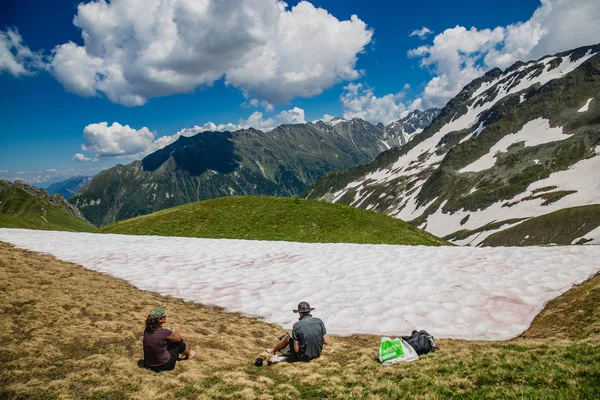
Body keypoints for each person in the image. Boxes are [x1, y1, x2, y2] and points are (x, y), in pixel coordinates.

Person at [143, 306, 195, 372]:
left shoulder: (147, 330)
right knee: (178, 342)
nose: (166, 316)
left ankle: (181, 353)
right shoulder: (165, 332)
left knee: (168, 341)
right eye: (164, 315)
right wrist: (176, 333)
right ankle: (190, 353)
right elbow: (178, 338)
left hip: (148, 365)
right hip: (164, 365)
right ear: (160, 319)